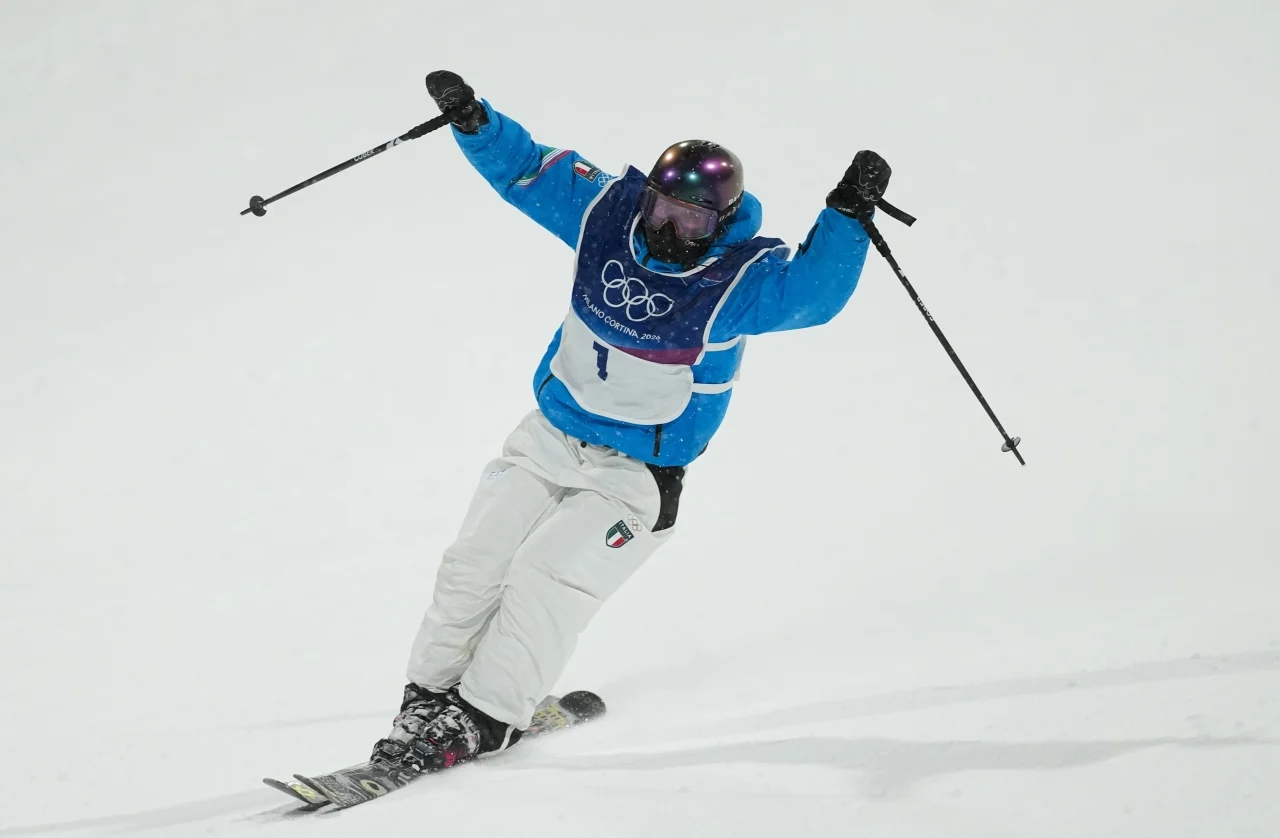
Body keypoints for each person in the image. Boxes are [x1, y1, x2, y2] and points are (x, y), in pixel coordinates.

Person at [370, 70, 893, 772]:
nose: (672, 228)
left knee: (545, 578)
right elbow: (529, 171)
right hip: (550, 436)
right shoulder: (606, 217)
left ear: (723, 221)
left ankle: (487, 718)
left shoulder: (738, 281)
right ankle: (429, 701)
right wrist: (475, 122)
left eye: (694, 219)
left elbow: (814, 296)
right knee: (475, 564)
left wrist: (846, 216)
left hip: (635, 478)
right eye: (664, 207)